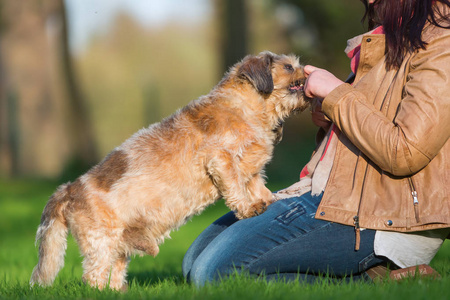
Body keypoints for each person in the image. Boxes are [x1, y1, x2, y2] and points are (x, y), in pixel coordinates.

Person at [182, 0, 450, 286]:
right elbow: (373, 124)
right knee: (193, 261)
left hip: (385, 215)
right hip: (335, 195)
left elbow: (406, 151)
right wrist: (332, 116)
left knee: (215, 274)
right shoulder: (393, 32)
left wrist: (336, 93)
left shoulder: (441, 39)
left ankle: (379, 282)